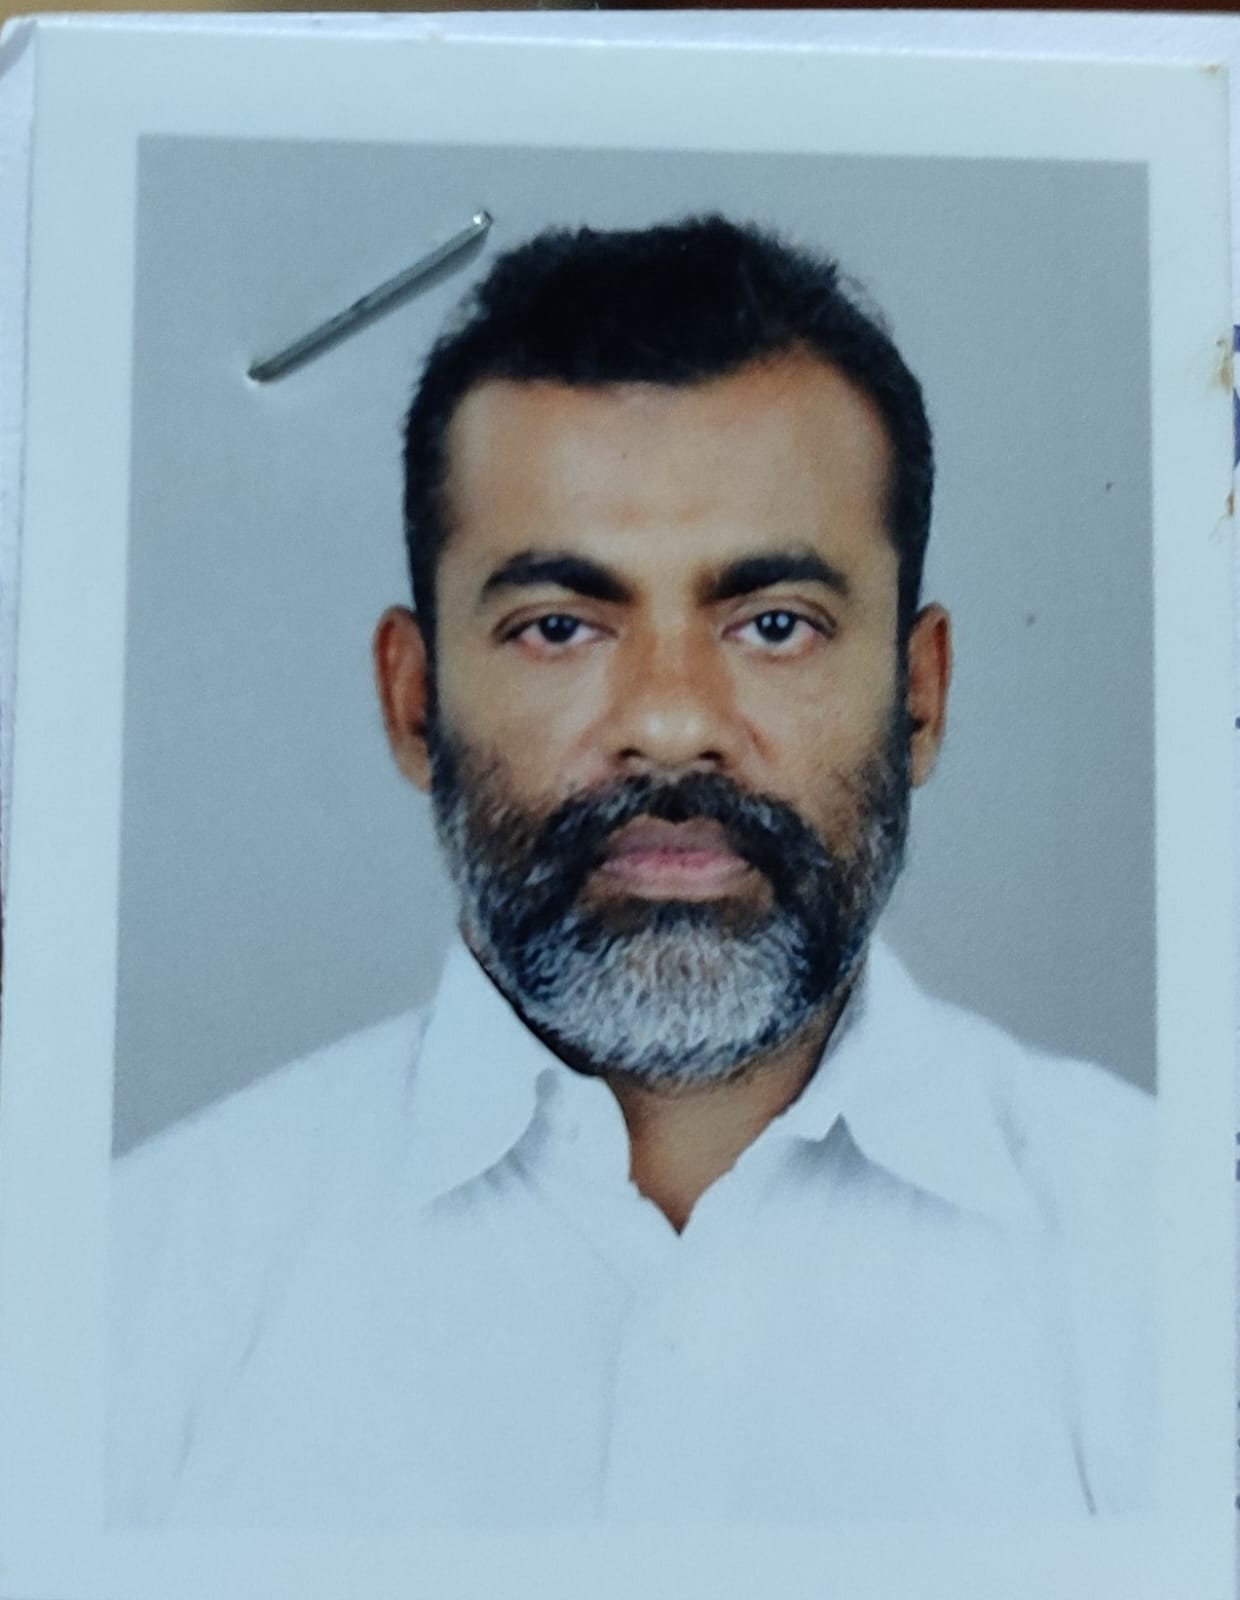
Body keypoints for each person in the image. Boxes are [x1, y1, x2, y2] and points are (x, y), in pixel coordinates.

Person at [109, 216, 1152, 1526]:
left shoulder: (1168, 1259)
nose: (667, 722)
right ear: (415, 701)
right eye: (560, 626)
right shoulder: (129, 1287)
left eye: (776, 624)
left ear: (921, 698)